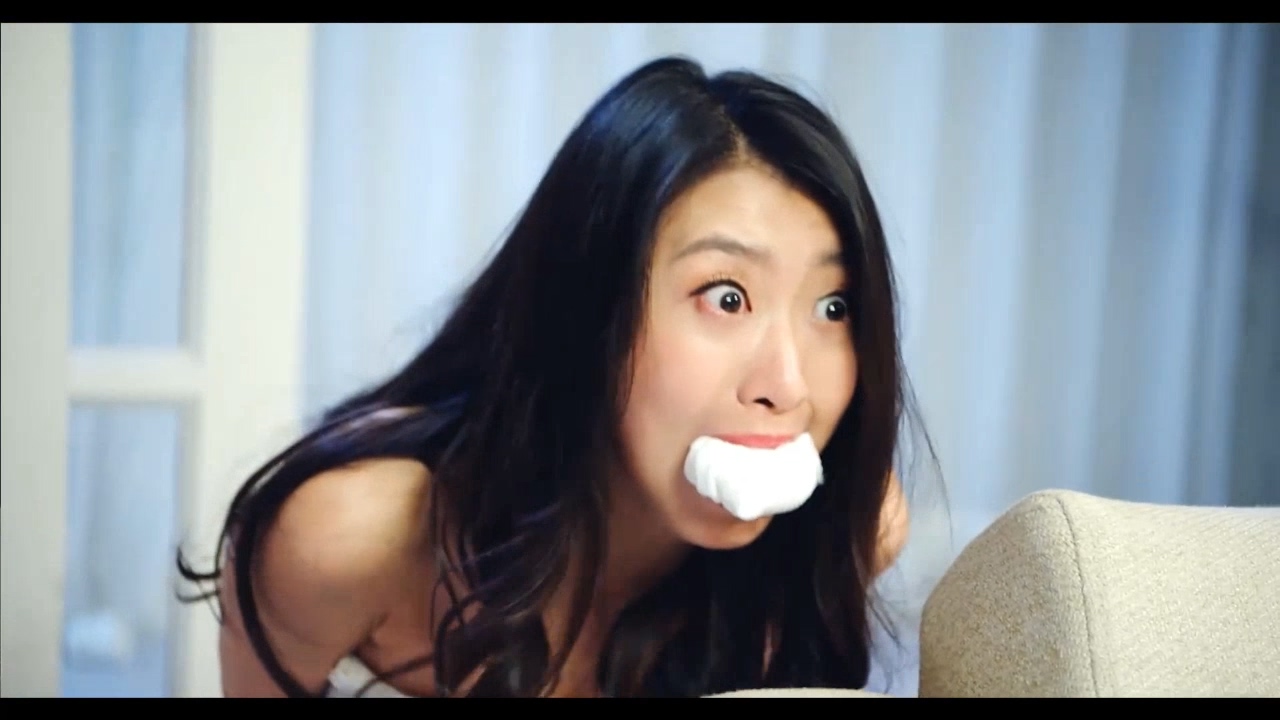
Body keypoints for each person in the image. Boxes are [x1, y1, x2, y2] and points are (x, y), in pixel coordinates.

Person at [177, 54, 933, 699]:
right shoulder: (347, 537)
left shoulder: (845, 530)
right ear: (590, 309)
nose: (788, 386)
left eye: (834, 307)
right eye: (726, 297)